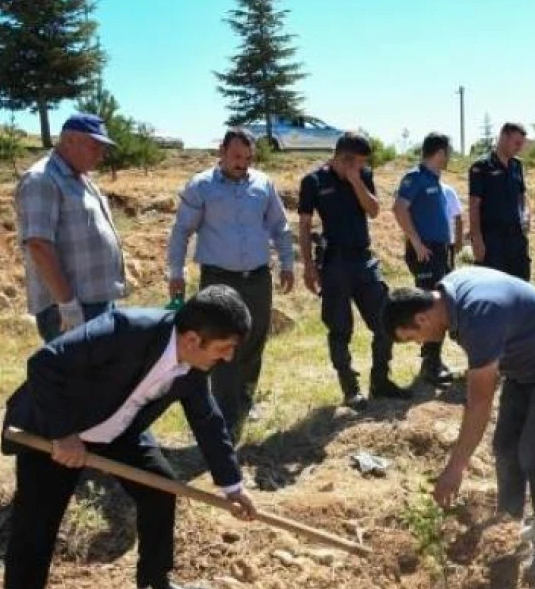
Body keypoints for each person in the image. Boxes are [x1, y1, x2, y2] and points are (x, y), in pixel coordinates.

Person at [1, 286, 258, 589]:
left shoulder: (194, 366)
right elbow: (44, 363)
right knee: (36, 528)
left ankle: (157, 583)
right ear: (193, 339)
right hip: (56, 431)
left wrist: (232, 487)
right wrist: (64, 434)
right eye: (225, 347)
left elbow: (207, 420)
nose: (229, 357)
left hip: (119, 431)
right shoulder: (125, 329)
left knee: (161, 490)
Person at [383, 266, 535, 577]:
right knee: (505, 447)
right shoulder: (449, 293)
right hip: (526, 367)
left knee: (533, 455)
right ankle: (509, 524)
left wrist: (455, 467)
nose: (419, 343)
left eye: (412, 337)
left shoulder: (479, 316)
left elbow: (480, 402)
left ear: (421, 318)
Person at [167, 128, 295, 440]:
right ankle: (224, 419)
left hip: (257, 278)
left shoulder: (263, 184)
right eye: (236, 156)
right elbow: (182, 230)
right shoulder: (201, 186)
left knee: (253, 341)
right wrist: (176, 271)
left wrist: (288, 263)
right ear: (222, 152)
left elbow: (280, 226)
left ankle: (244, 402)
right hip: (219, 279)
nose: (242, 163)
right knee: (220, 345)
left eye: (248, 158)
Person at [298, 132, 410, 407]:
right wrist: (309, 268)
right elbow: (303, 226)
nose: (362, 166)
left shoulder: (363, 175)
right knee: (339, 328)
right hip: (334, 262)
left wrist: (357, 181)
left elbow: (373, 211)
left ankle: (380, 381)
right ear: (344, 158)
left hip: (363, 260)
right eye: (358, 162)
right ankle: (350, 389)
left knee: (385, 320)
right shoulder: (313, 181)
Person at [14, 113, 127, 343]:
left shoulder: (80, 179)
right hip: (70, 307)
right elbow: (39, 245)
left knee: (99, 375)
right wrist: (67, 304)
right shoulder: (42, 179)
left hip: (95, 301)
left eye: (103, 149)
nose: (101, 155)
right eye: (95, 146)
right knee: (78, 377)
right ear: (69, 141)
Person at [393, 132, 456, 385]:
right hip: (425, 250)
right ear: (440, 152)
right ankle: (430, 365)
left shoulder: (436, 180)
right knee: (430, 306)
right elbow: (399, 208)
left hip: (440, 250)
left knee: (443, 303)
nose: (450, 157)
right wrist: (416, 242)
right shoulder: (415, 178)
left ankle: (434, 359)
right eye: (448, 152)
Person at [469, 122, 531, 280]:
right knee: (494, 285)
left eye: (521, 144)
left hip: (516, 238)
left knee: (521, 283)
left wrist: (525, 213)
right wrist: (477, 239)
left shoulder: (517, 165)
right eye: (516, 143)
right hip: (492, 239)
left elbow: (522, 196)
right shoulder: (481, 166)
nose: (519, 148)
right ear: (503, 137)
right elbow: (474, 205)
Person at [444, 182, 464, 270]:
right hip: (424, 242)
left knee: (448, 273)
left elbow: (458, 217)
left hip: (447, 243)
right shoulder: (418, 190)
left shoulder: (448, 191)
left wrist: (459, 239)